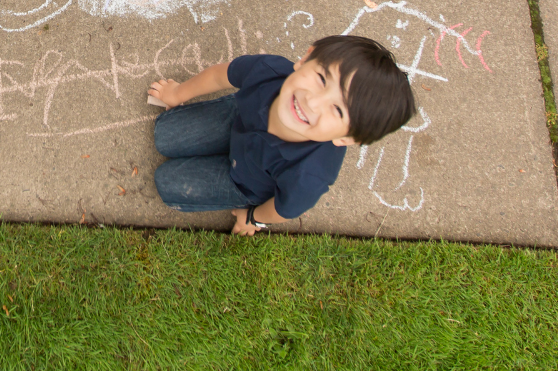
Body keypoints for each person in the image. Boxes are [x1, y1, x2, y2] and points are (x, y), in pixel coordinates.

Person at [147, 35, 415, 235]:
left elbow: (284, 208)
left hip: (244, 182)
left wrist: (253, 217)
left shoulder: (311, 174)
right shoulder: (270, 72)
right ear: (306, 58)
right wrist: (177, 93)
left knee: (167, 182)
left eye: (337, 110)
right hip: (237, 122)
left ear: (348, 138)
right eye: (322, 79)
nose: (313, 102)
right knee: (165, 134)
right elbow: (221, 75)